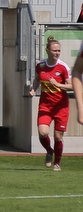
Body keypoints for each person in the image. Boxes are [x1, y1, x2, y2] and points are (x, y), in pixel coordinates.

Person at [30, 36, 71, 171]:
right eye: (54, 50)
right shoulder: (40, 65)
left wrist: (57, 84)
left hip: (61, 106)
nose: (57, 53)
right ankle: (49, 151)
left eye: (59, 51)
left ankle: (57, 163)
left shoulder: (63, 67)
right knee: (42, 132)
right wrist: (33, 89)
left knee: (58, 136)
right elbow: (37, 79)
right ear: (47, 50)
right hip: (45, 105)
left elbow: (71, 86)